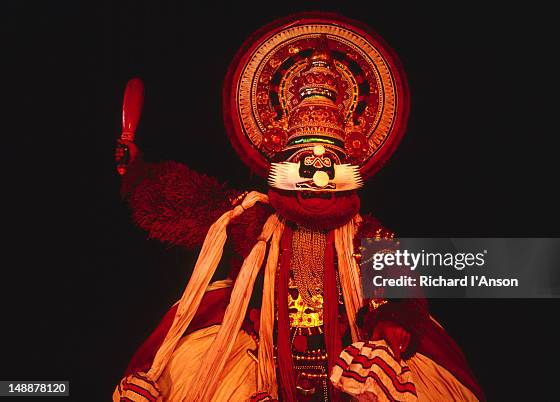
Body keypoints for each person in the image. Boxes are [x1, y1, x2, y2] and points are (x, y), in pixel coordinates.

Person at [113, 13, 483, 402]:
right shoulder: (251, 220)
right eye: (307, 165)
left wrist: (391, 329)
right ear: (286, 166)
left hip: (350, 376)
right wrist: (136, 171)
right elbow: (181, 201)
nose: (318, 180)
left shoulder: (368, 237)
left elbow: (405, 297)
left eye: (329, 169)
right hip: (264, 372)